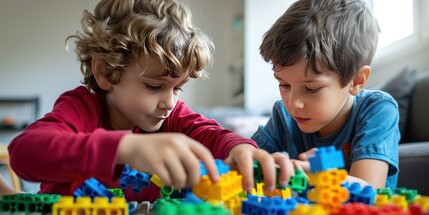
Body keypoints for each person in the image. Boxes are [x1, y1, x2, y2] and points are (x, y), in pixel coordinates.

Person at [8, 0, 294, 203]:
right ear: (105, 72)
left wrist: (241, 147)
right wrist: (124, 147)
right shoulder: (82, 108)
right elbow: (24, 153)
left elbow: (211, 134)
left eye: (178, 88)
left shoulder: (172, 116)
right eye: (153, 86)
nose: (168, 102)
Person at [251, 0, 399, 190]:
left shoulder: (377, 110)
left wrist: (317, 176)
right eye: (284, 84)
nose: (293, 103)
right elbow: (245, 161)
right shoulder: (284, 116)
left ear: (356, 81)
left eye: (312, 89)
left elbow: (370, 189)